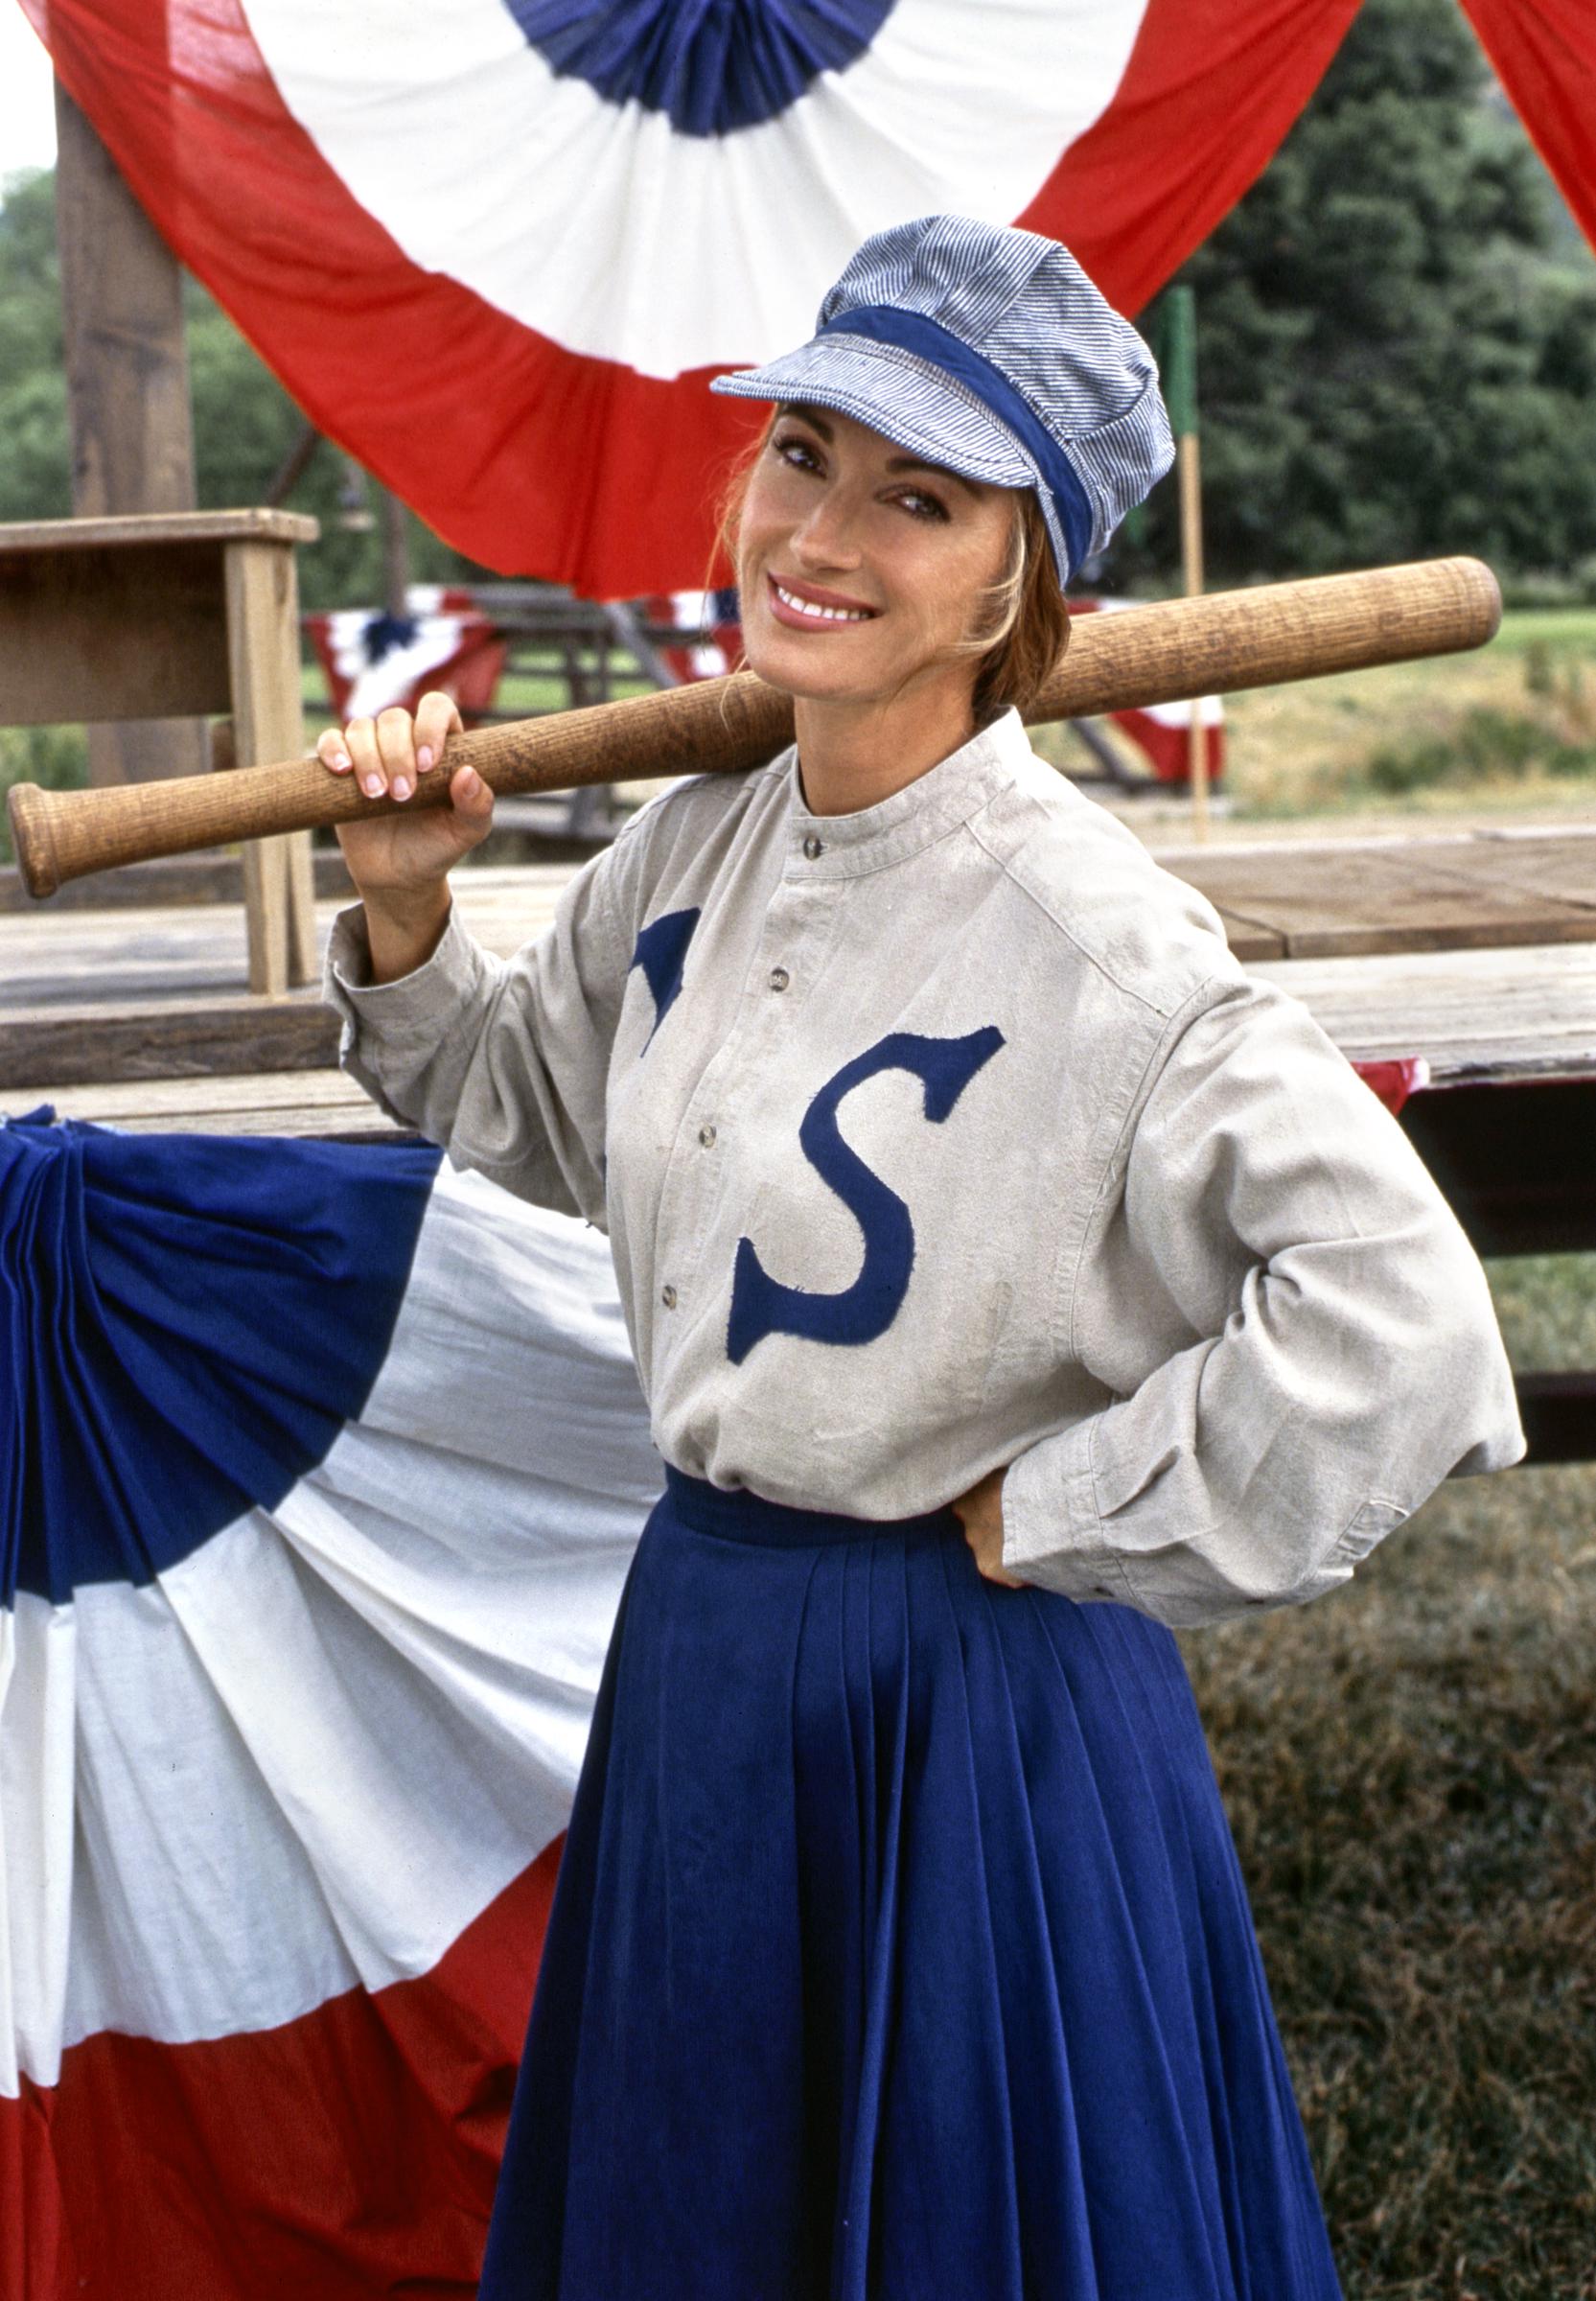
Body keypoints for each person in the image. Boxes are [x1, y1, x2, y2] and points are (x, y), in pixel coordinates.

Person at [317, 214, 1525, 2299]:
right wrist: (413, 912)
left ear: (1015, 579)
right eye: (802, 451)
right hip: (705, 1651)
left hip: (962, 1701)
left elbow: (1400, 1327)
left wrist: (1064, 1498)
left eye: (919, 493)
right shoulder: (688, 845)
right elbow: (525, 1110)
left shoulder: (1094, 939)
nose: (826, 526)